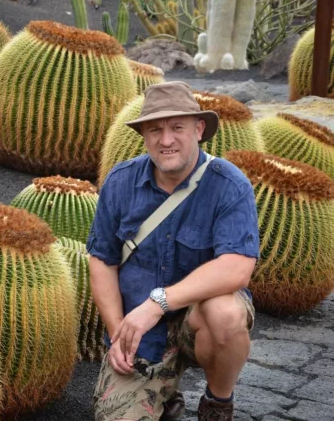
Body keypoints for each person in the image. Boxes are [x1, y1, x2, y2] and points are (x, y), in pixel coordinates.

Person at [87, 81, 258, 421]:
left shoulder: (230, 185)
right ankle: (166, 395)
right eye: (155, 130)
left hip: (200, 322)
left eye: (176, 127)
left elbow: (237, 268)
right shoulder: (120, 182)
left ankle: (218, 403)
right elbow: (102, 261)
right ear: (144, 136)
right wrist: (118, 330)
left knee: (225, 313)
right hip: (143, 335)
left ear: (198, 129)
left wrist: (158, 302)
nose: (166, 140)